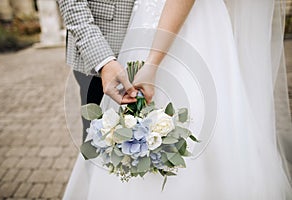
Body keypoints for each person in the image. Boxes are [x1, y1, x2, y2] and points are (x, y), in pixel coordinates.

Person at [62, 0, 292, 199]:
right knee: (108, 140)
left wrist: (152, 63)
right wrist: (104, 60)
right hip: (113, 38)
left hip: (186, 31)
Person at [58, 0, 138, 142]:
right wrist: (103, 60)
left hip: (158, 51)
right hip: (100, 54)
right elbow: (72, 4)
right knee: (100, 138)